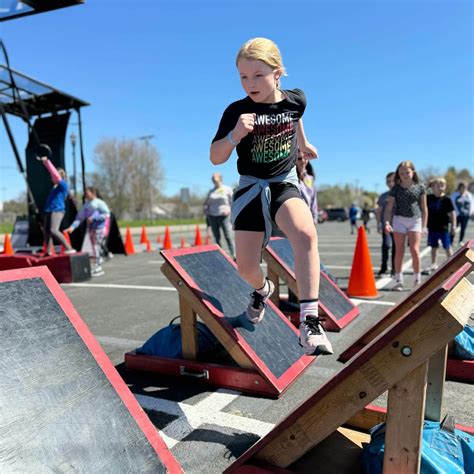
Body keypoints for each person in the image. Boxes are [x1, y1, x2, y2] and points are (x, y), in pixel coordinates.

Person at [209, 37, 333, 356]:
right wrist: (235, 135)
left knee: (305, 233)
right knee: (246, 268)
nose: (250, 83)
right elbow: (215, 157)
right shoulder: (236, 111)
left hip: (283, 182)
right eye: (243, 77)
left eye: (258, 75)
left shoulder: (296, 100)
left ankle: (309, 320)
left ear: (277, 73)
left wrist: (303, 143)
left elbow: (295, 115)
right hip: (251, 187)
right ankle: (262, 290)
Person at [384, 160, 427, 291]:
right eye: (401, 173)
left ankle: (417, 280)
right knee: (399, 251)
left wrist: (424, 226)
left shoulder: (420, 187)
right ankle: (399, 280)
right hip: (399, 220)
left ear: (413, 172)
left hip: (415, 220)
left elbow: (424, 208)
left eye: (407, 172)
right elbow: (389, 208)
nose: (404, 175)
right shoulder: (396, 189)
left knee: (414, 250)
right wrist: (387, 223)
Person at [65, 187, 110, 277]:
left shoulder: (99, 203)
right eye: (85, 193)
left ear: (93, 193)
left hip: (99, 228)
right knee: (94, 248)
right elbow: (79, 218)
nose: (85, 194)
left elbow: (107, 214)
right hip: (91, 229)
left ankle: (98, 267)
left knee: (96, 247)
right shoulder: (86, 205)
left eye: (87, 193)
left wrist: (94, 218)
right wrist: (72, 227)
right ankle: (99, 263)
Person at [37, 153, 76, 255]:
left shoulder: (63, 185)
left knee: (53, 230)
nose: (51, 178)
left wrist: (46, 162)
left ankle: (69, 248)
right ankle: (48, 251)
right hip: (49, 210)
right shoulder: (54, 188)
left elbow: (55, 174)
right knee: (46, 232)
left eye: (52, 176)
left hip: (57, 210)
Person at [426, 177, 456, 273]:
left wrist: (454, 226)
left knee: (447, 246)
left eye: (442, 185)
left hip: (443, 227)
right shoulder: (429, 198)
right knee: (434, 246)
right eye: (438, 186)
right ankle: (433, 264)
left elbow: (452, 213)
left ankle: (452, 264)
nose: (440, 188)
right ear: (432, 187)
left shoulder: (446, 199)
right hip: (432, 227)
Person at [203, 172, 235, 259]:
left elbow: (233, 202)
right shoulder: (211, 192)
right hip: (213, 216)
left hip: (224, 216)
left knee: (228, 235)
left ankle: (234, 254)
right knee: (217, 237)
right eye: (212, 177)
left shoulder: (227, 189)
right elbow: (206, 204)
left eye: (215, 177)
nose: (213, 178)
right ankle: (221, 256)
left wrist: (229, 210)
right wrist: (207, 213)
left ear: (220, 178)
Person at [375, 172, 396, 276]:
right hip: (386, 225)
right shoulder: (383, 196)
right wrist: (379, 224)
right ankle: (384, 266)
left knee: (396, 247)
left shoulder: (401, 195)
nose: (390, 183)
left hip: (398, 225)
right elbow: (379, 211)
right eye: (388, 181)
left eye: (392, 180)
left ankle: (395, 268)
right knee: (386, 245)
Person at [451, 182, 472, 246]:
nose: (464, 188)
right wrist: (456, 212)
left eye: (465, 187)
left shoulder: (469, 195)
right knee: (454, 227)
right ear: (459, 187)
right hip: (456, 215)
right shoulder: (455, 195)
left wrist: (470, 212)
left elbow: (472, 204)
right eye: (462, 187)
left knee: (463, 228)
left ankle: (460, 241)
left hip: (465, 215)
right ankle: (451, 241)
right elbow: (452, 204)